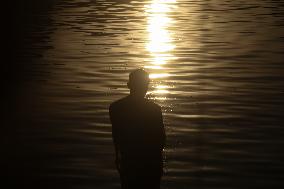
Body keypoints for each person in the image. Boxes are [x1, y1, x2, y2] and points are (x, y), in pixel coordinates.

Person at [109, 69, 166, 189]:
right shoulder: (154, 109)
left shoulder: (115, 108)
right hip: (150, 164)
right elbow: (161, 141)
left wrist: (118, 159)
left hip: (128, 163)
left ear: (129, 85)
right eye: (145, 85)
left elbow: (117, 138)